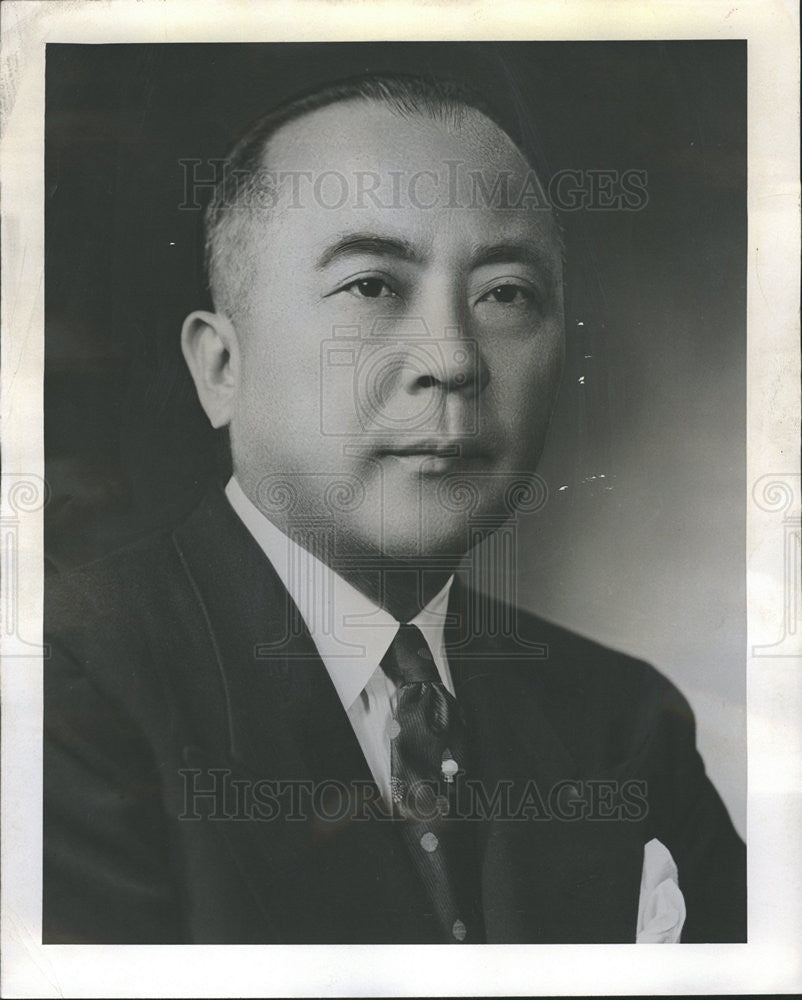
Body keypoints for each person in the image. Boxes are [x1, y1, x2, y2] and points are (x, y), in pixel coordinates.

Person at [43, 73, 746, 944]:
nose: (453, 359)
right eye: (373, 286)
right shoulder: (63, 687)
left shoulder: (623, 725)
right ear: (221, 366)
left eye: (505, 295)